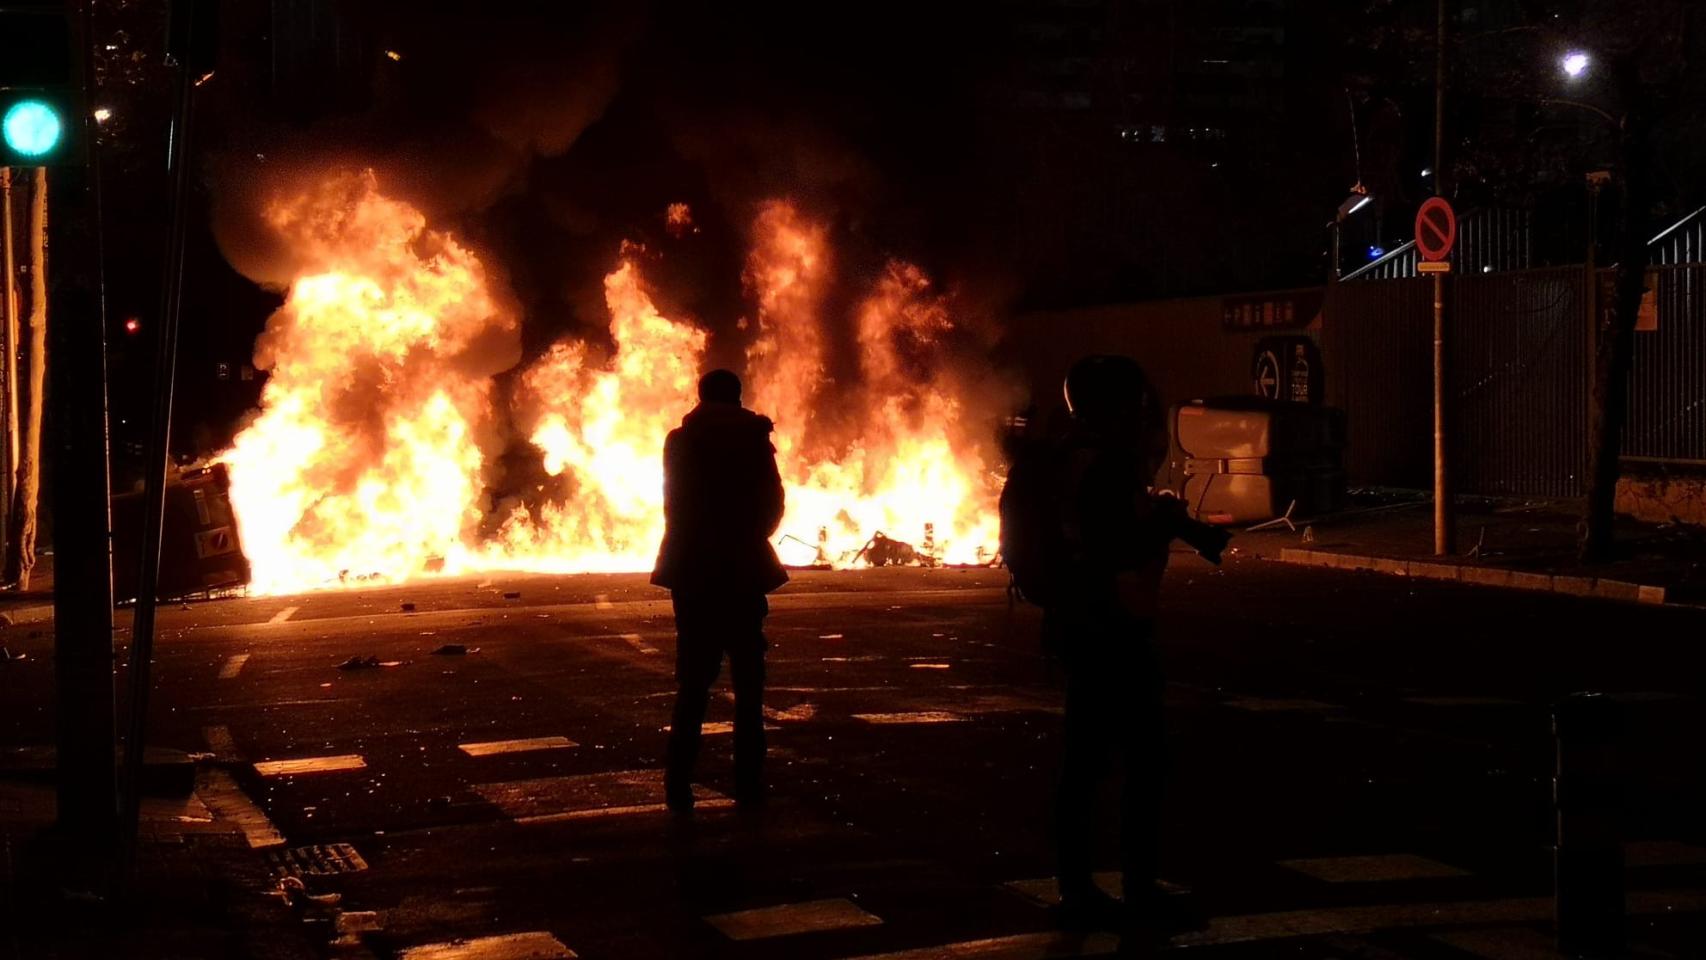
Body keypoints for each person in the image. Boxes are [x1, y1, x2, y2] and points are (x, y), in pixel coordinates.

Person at [1003, 355, 1226, 951]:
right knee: (1139, 761)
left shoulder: (1066, 457)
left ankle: (1081, 888)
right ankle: (1128, 888)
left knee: (1087, 762)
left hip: (1080, 620)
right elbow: (1116, 546)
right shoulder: (1101, 463)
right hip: (1109, 623)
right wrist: (1164, 525)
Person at [653, 369, 788, 813]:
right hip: (743, 570)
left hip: (693, 570)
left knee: (693, 684)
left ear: (701, 396)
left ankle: (678, 784)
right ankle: (749, 782)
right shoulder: (754, 438)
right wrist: (750, 538)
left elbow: (673, 503)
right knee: (749, 683)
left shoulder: (681, 440)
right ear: (738, 397)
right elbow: (773, 501)